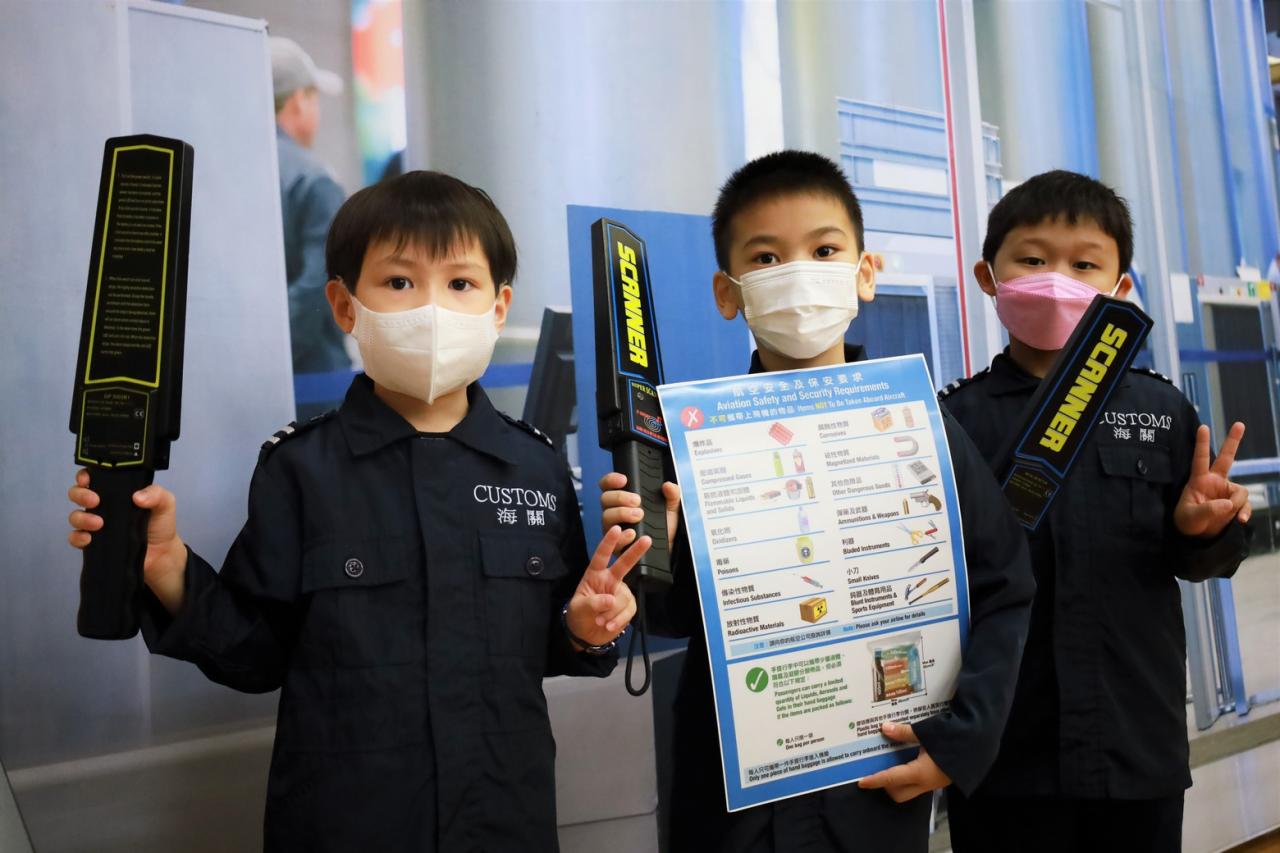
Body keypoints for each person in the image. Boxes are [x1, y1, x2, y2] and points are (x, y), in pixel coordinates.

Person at [66, 171, 651, 852]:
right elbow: (254, 655)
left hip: (503, 821)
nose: (432, 308)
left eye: (461, 283)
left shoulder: (536, 468)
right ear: (345, 306)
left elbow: (549, 643)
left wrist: (585, 629)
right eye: (399, 281)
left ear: (498, 308)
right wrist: (167, 566)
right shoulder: (302, 469)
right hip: (346, 825)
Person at [599, 150, 1036, 852]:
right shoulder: (695, 442)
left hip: (875, 786)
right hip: (733, 800)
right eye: (766, 257)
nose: (797, 273)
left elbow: (1005, 585)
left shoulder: (921, 426)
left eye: (824, 250)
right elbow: (673, 618)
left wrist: (961, 743)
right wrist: (654, 551)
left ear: (865, 273)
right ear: (728, 292)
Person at [939, 170, 1253, 853]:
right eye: (1032, 259)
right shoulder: (951, 421)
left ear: (1120, 288)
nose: (1057, 279)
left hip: (1135, 742)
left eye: (1084, 264)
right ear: (989, 277)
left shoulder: (1163, 411)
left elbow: (1201, 561)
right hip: (1003, 754)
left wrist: (1203, 531)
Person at [271, 36, 353, 386]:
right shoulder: (314, 179)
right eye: (314, 98)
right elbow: (320, 282)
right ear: (297, 102)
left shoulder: (232, 170)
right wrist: (274, 353)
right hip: (313, 378)